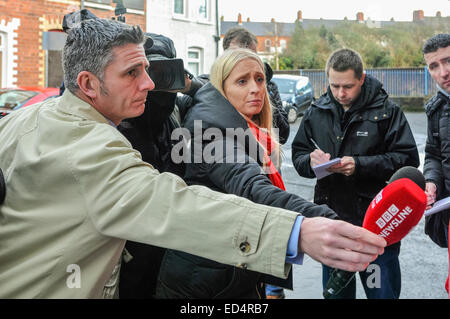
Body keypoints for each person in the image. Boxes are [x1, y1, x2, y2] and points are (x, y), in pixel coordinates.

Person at [0, 18, 387, 298]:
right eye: (132, 73)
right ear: (87, 83)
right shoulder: (92, 149)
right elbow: (175, 204)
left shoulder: (27, 119)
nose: (150, 85)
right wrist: (295, 232)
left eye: (151, 70)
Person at [155, 48, 346, 299]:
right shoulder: (209, 133)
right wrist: (329, 220)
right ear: (222, 89)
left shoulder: (243, 125)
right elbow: (253, 187)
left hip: (228, 267)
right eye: (242, 81)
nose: (255, 88)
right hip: (204, 279)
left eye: (259, 79)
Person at [291, 48, 420, 299]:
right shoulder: (317, 110)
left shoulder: (387, 111)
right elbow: (298, 155)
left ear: (362, 79)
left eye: (348, 86)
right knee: (336, 296)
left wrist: (359, 165)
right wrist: (310, 160)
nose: (340, 93)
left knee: (381, 295)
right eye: (334, 85)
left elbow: (408, 161)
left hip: (377, 226)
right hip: (333, 223)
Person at [222, 26, 290, 146]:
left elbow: (283, 134)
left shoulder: (269, 87)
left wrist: (265, 95)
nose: (248, 61)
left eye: (253, 55)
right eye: (239, 56)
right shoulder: (216, 88)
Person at [421, 33, 450, 295]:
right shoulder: (436, 108)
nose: (444, 72)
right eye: (434, 66)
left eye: (448, 61)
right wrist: (431, 181)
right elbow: (433, 155)